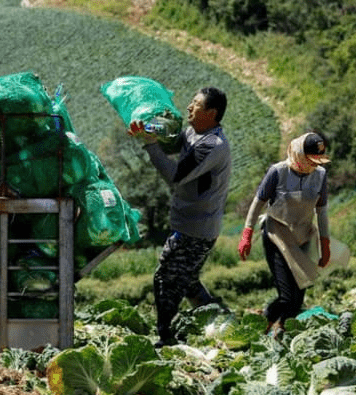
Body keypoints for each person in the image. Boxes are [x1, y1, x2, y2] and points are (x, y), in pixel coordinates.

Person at [128, 87, 231, 347]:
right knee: (187, 281)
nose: (188, 107)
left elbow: (176, 175)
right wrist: (151, 129)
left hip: (196, 229)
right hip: (191, 225)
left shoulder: (212, 145)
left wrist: (149, 145)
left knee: (166, 278)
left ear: (211, 113)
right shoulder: (192, 133)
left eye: (195, 104)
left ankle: (165, 337)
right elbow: (172, 141)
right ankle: (221, 324)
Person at [238, 132, 331, 336]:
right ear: (298, 154)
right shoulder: (278, 172)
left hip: (303, 236)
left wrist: (325, 242)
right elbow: (258, 203)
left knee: (298, 298)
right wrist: (247, 233)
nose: (314, 165)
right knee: (287, 296)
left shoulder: (320, 175)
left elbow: (322, 210)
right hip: (276, 235)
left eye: (318, 160)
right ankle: (260, 327)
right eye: (311, 160)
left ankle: (281, 333)